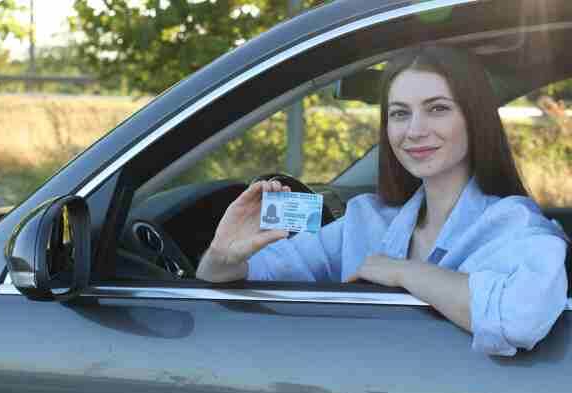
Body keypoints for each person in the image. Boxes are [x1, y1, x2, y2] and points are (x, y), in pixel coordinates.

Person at [196, 45, 569, 356]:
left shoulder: (516, 226)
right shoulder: (367, 219)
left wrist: (400, 271)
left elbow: (519, 318)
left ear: (474, 119)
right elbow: (259, 276)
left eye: (438, 108)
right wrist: (222, 257)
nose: (415, 130)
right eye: (399, 114)